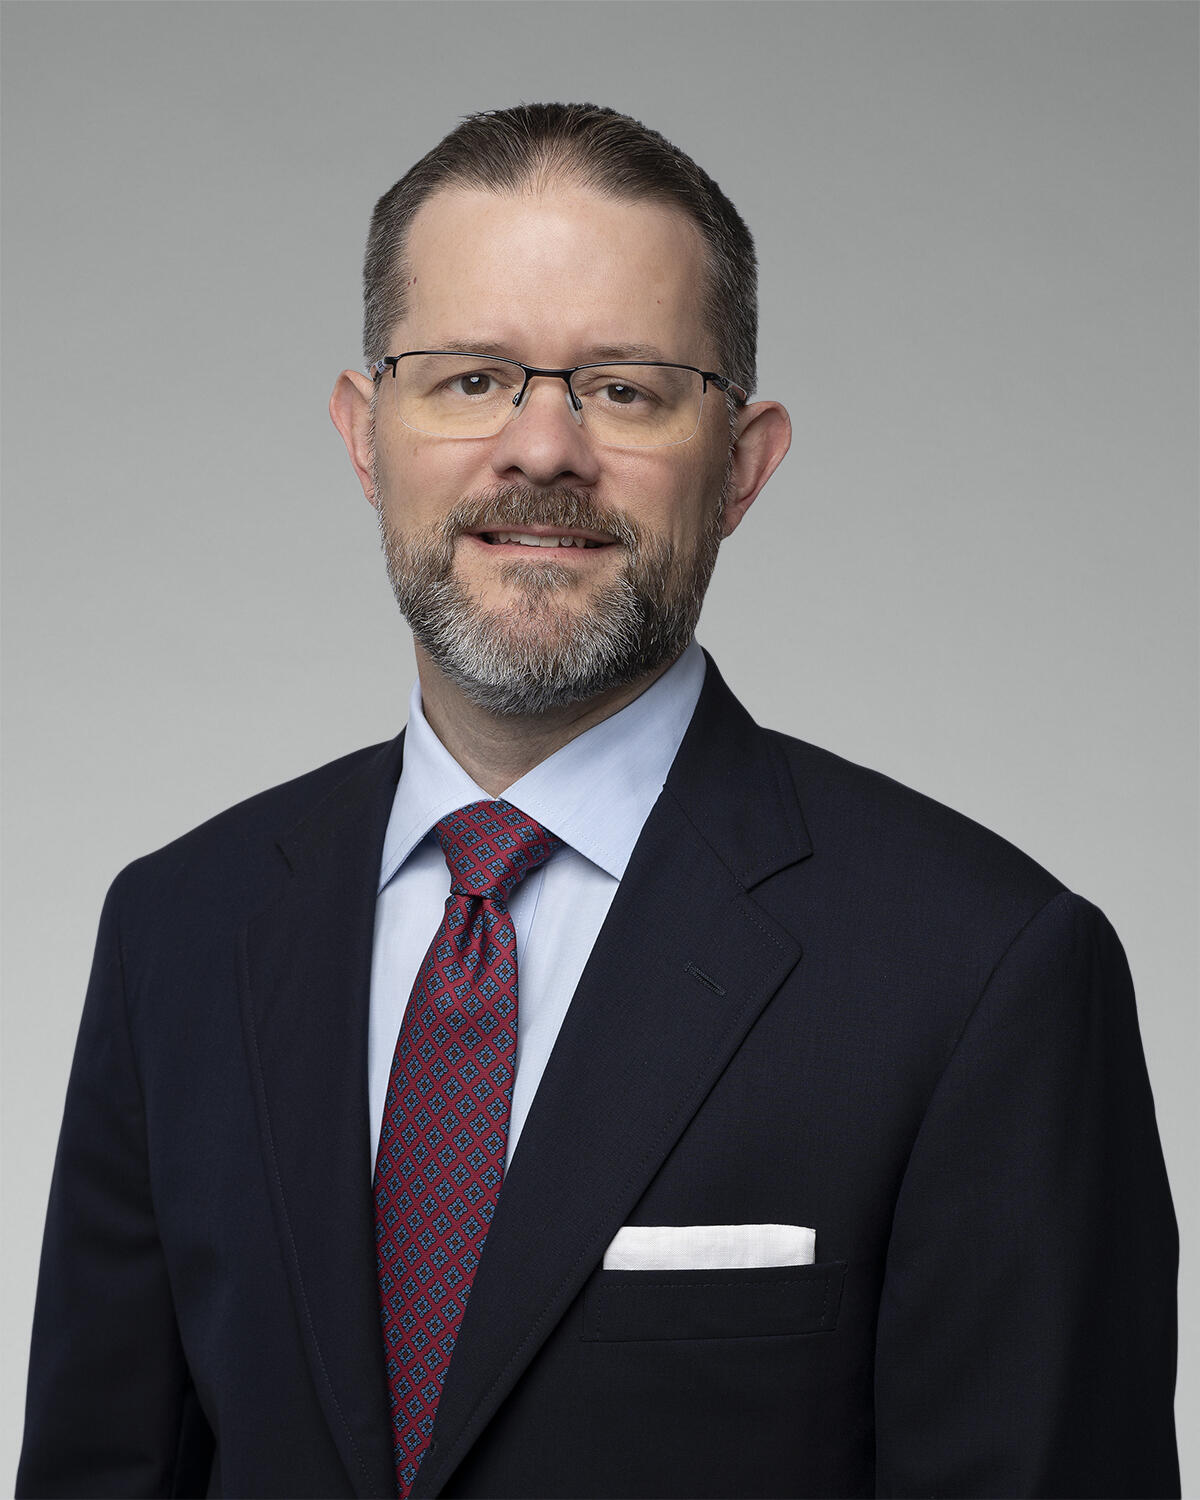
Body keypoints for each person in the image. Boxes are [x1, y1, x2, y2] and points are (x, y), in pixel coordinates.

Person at [16, 102, 1179, 1500]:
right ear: (365, 436)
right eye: (470, 378)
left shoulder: (985, 973)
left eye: (623, 389)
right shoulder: (179, 931)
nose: (542, 450)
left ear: (742, 464)